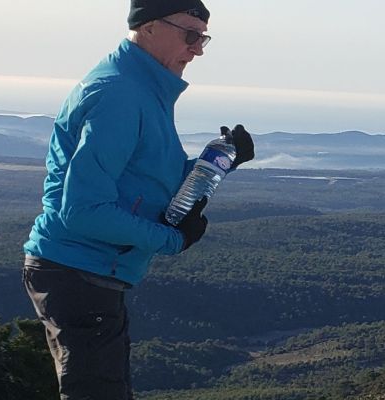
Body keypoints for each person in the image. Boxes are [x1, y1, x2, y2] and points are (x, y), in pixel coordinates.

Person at [20, 0, 254, 398]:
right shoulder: (121, 95)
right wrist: (172, 239)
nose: (198, 49)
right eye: (191, 35)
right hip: (78, 270)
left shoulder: (142, 88)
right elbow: (82, 211)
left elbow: (146, 177)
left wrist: (218, 162)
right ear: (148, 28)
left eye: (204, 38)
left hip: (87, 272)